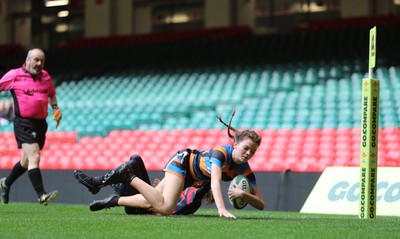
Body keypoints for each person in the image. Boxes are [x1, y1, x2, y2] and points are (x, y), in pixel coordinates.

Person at [75, 111, 264, 219]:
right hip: (183, 162)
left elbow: (261, 204)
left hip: (190, 177)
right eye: (246, 148)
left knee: (152, 202)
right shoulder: (221, 153)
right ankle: (127, 175)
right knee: (166, 208)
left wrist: (243, 194)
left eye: (253, 151)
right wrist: (222, 209)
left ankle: (112, 201)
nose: (249, 154)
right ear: (236, 144)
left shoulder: (245, 171)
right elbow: (215, 180)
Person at [0, 48, 61, 205]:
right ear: (27, 60)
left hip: (41, 123)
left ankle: (6, 183)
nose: (39, 63)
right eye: (36, 60)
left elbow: (52, 94)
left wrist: (55, 108)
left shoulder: (45, 76)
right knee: (35, 157)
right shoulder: (14, 75)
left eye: (42, 61)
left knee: (26, 161)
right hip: (23, 123)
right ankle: (41, 195)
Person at [76, 154, 212, 215]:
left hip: (140, 209)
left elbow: (164, 205)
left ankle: (100, 184)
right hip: (144, 200)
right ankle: (113, 185)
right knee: (135, 159)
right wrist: (155, 190)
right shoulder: (182, 185)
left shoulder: (194, 196)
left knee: (131, 165)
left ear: (199, 182)